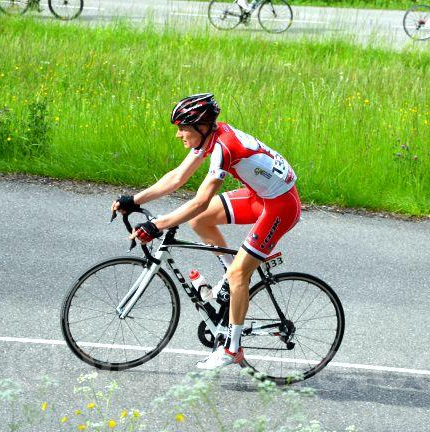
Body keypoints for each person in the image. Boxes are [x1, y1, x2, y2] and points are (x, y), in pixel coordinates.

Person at [111, 93, 301, 370]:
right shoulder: (211, 137)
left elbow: (200, 200)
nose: (178, 135)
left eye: (182, 128)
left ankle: (232, 348)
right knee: (199, 222)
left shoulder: (224, 146)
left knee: (239, 272)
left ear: (200, 126)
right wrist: (134, 200)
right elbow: (178, 177)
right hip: (258, 196)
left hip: (280, 207)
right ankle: (232, 277)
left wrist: (157, 224)